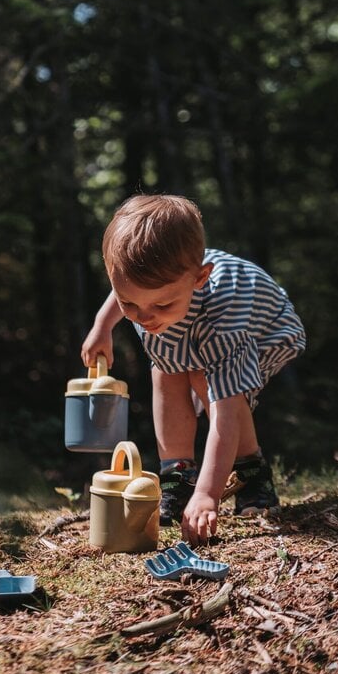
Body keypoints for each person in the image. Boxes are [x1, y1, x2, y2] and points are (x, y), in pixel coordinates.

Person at [80, 194, 305, 545]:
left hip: (266, 332)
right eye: (130, 303)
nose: (143, 317)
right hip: (188, 325)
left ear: (199, 278)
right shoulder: (152, 303)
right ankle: (177, 474)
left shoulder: (223, 327)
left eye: (160, 303)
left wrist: (208, 495)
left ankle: (251, 472)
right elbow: (123, 287)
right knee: (166, 371)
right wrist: (102, 325)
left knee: (206, 379)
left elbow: (225, 416)